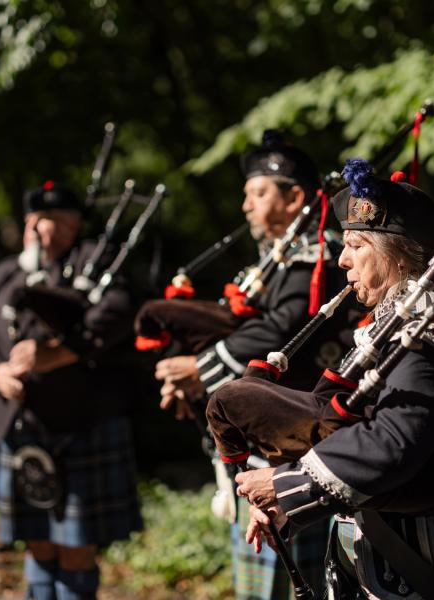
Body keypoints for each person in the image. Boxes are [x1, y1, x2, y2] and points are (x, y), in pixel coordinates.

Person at [222, 158, 434, 599]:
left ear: (394, 253)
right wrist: (288, 503)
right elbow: (349, 425)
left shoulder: (426, 328)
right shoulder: (394, 320)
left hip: (432, 551)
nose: (342, 258)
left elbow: (395, 440)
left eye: (355, 245)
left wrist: (284, 485)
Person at [154, 132, 360, 600]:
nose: (245, 206)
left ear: (295, 198)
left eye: (258, 193)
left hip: (300, 445)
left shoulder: (320, 256)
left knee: (295, 583)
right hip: (271, 441)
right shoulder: (276, 260)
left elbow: (280, 329)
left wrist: (199, 370)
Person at [0, 182, 142, 600]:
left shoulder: (96, 263)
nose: (44, 230)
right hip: (21, 427)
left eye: (58, 222)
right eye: (37, 221)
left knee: (76, 546)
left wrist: (60, 353)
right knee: (37, 542)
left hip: (82, 422)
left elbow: (118, 313)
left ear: (75, 226)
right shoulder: (7, 272)